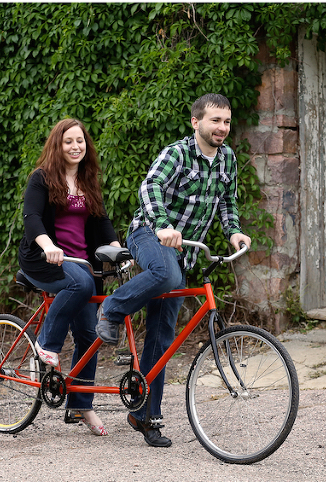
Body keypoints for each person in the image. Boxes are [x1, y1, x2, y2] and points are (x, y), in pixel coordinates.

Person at [96, 93, 251, 447]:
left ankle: (144, 413)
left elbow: (228, 201)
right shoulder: (177, 154)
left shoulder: (227, 159)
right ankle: (112, 308)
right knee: (167, 276)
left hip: (182, 251)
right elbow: (150, 187)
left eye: (226, 122)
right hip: (149, 234)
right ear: (196, 122)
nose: (222, 128)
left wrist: (233, 231)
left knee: (163, 338)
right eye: (215, 121)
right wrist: (164, 225)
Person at [18, 118, 121, 437]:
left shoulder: (89, 181)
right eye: (68, 141)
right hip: (46, 260)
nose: (76, 146)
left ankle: (80, 404)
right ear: (57, 146)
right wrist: (48, 245)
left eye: (81, 141)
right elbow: (32, 216)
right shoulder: (42, 179)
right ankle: (46, 343)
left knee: (90, 338)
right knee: (81, 282)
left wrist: (117, 247)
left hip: (83, 265)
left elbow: (101, 221)